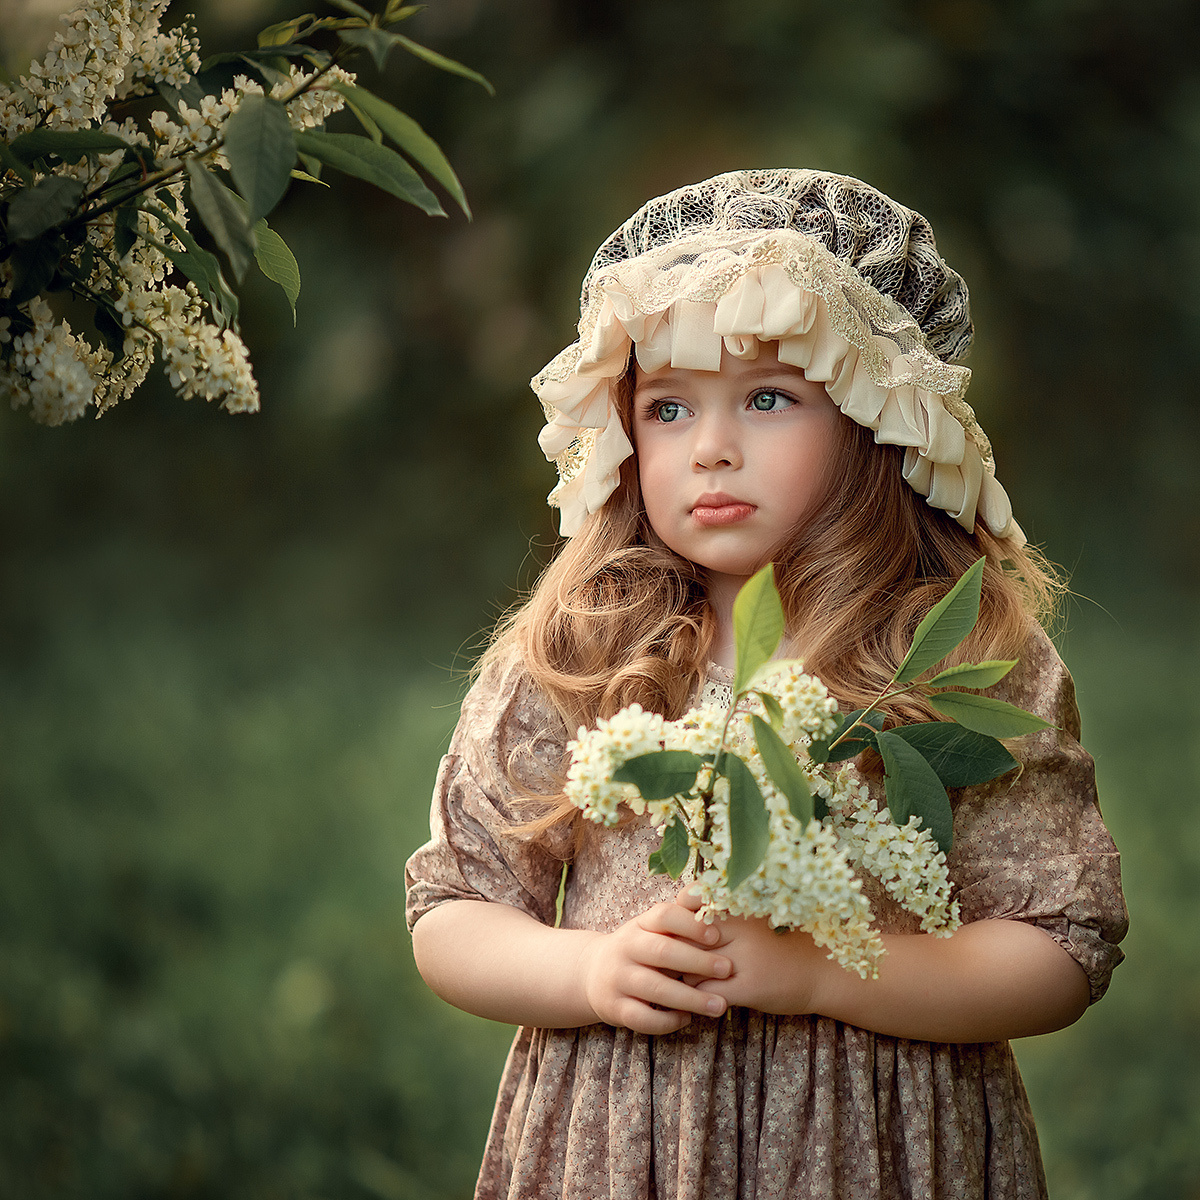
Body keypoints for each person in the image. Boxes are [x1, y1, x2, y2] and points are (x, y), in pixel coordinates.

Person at [405, 169, 1127, 1200]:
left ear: (876, 415)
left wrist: (824, 973)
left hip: (873, 1139)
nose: (711, 449)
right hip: (629, 1142)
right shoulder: (581, 652)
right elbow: (453, 910)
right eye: (667, 408)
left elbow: (1058, 949)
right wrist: (590, 972)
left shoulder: (951, 658)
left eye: (768, 398)